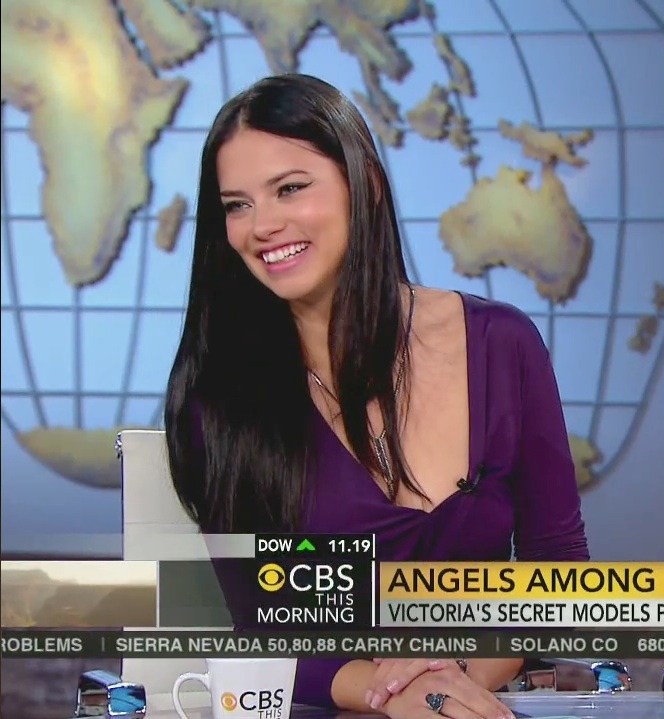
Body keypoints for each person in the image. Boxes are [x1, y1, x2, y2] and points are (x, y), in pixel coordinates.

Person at [164, 73, 589, 719]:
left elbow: (555, 569)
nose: (263, 225)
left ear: (367, 183)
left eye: (290, 188)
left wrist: (457, 679)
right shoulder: (221, 400)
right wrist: (393, 692)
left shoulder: (503, 344)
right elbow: (263, 628)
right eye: (237, 204)